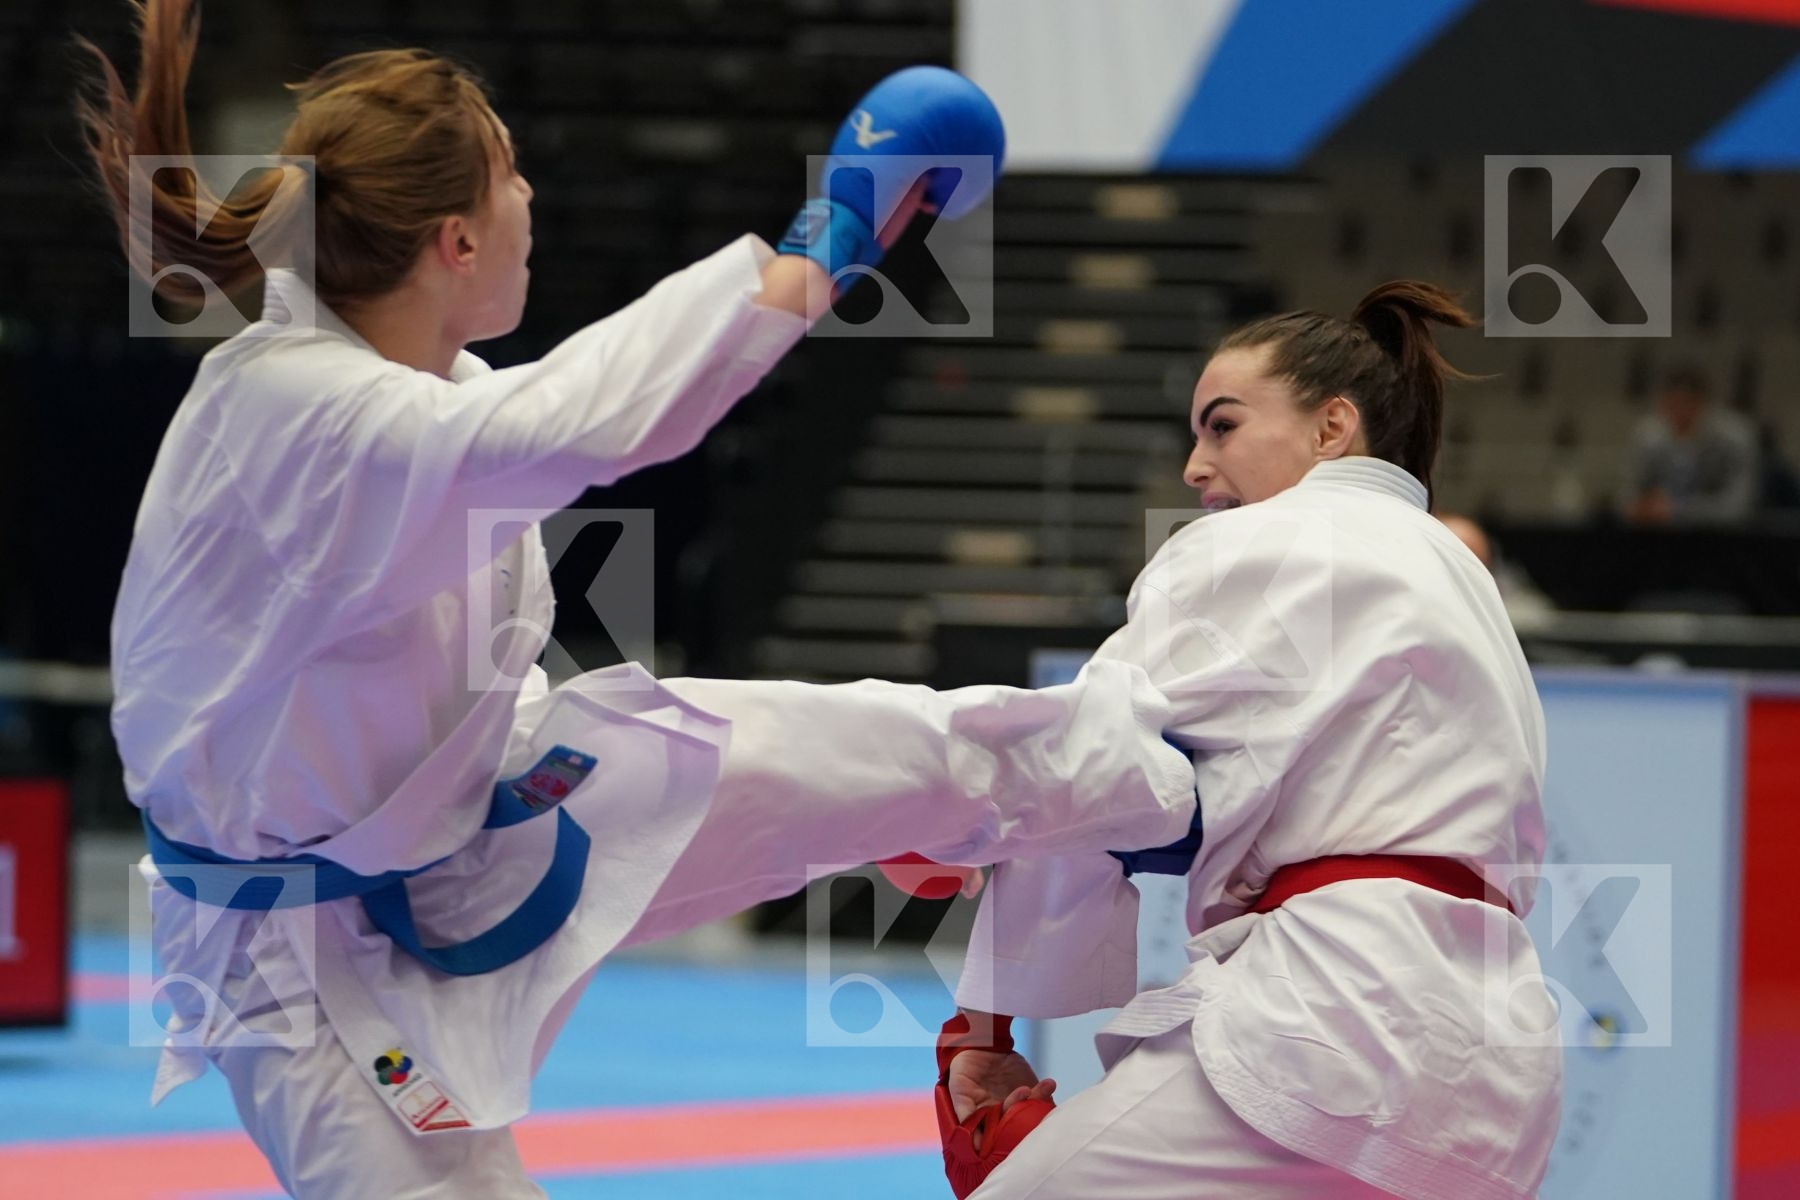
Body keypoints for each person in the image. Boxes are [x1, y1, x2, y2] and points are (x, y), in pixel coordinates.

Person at [80, 5, 1198, 1196]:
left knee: (870, 748)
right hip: (306, 970)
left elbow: (521, 448)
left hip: (475, 817)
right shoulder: (309, 419)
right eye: (513, 176)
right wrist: (825, 243)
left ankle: (1186, 782)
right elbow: (588, 420)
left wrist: (866, 817)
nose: (533, 204)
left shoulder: (418, 390)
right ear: (457, 241)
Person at [931, 283, 1563, 1199]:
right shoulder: (1458, 576)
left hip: (1330, 1019)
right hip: (1498, 1070)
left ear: (1330, 428)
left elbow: (1080, 765)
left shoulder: (1261, 539)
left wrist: (986, 1027)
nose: (1194, 466)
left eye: (1221, 427)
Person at [1622, 365, 1758, 523]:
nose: (1678, 412)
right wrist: (1641, 506)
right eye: (1671, 404)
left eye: (1686, 403)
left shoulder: (1734, 437)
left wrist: (1678, 509)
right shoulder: (1647, 437)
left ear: (1703, 403)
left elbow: (1739, 506)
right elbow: (1627, 497)